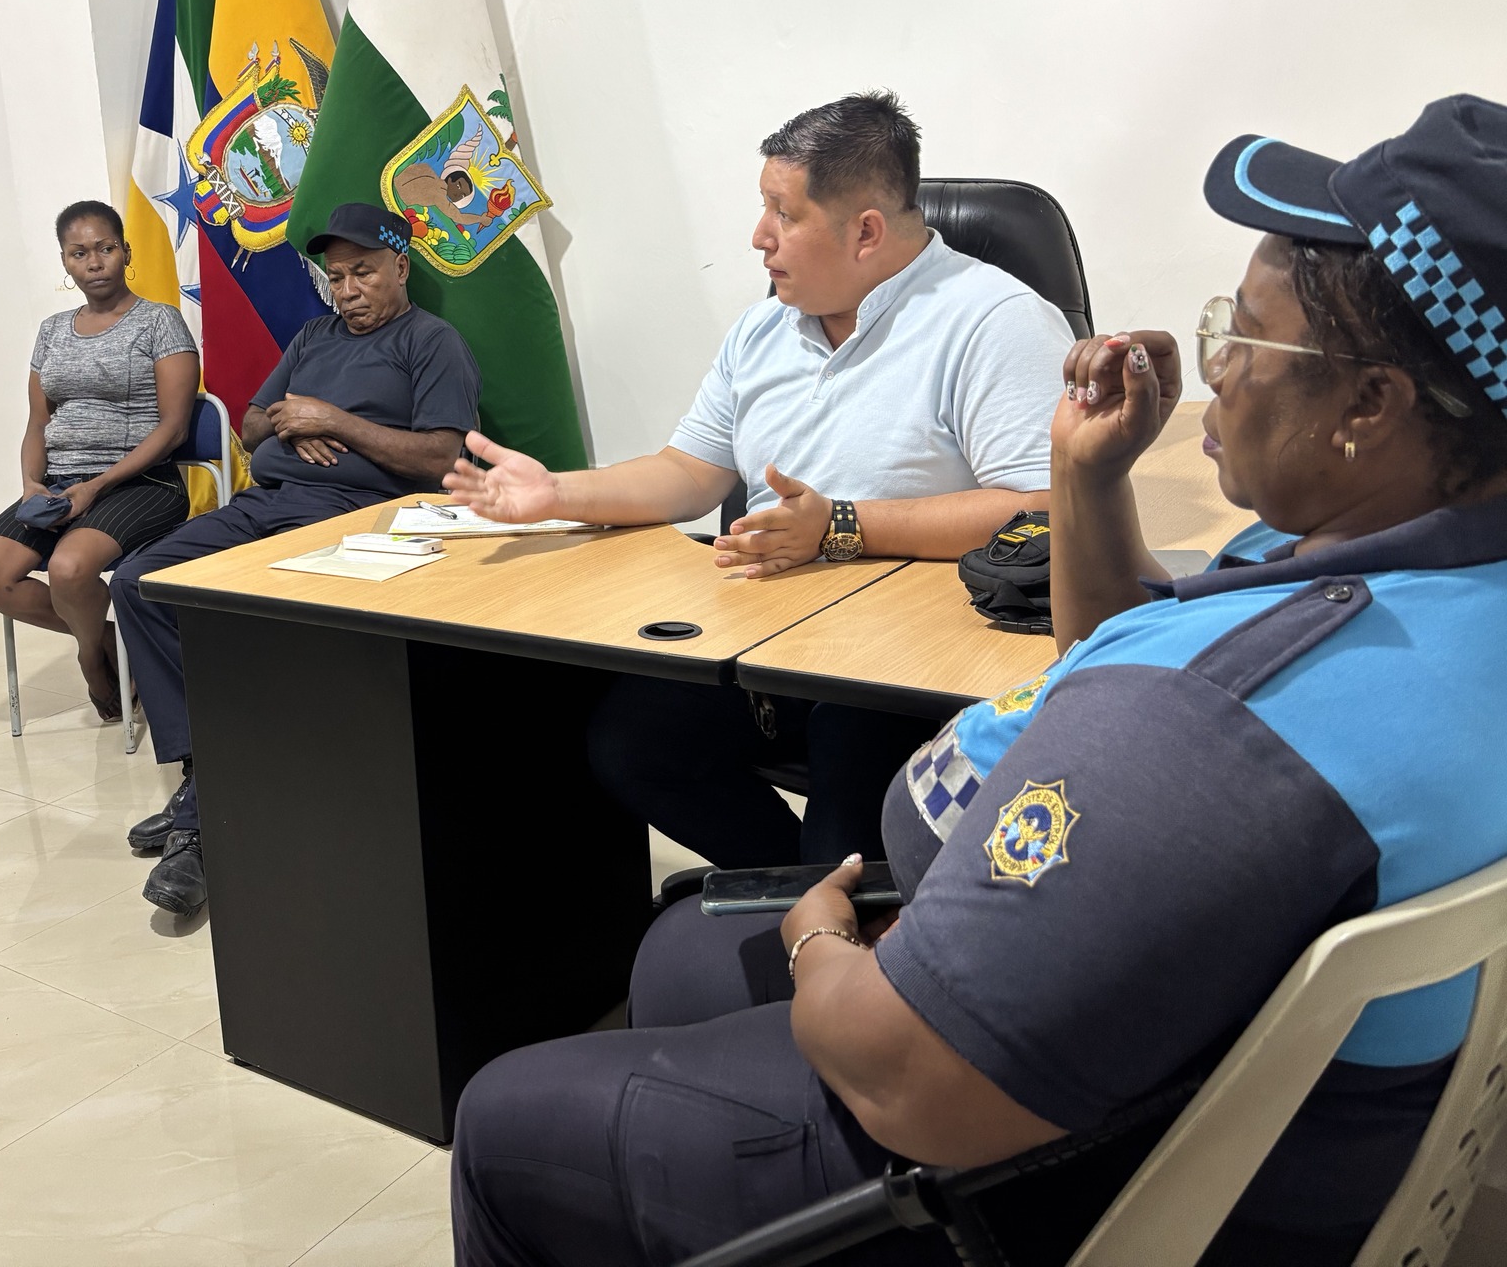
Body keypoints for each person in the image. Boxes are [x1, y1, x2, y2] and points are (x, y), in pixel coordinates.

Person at [449, 94, 1507, 1267]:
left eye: (1245, 337)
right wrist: (1085, 477)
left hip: (1049, 1168)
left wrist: (816, 942)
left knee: (503, 1119)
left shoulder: (1212, 727)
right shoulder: (1394, 570)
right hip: (1161, 1021)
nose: (1212, 369)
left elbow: (912, 1088)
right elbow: (1118, 651)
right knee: (680, 940)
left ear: (1369, 405)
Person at [443, 91, 1074, 865]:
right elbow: (688, 472)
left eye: (783, 213)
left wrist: (842, 527)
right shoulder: (765, 326)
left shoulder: (994, 320)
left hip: (906, 660)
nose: (758, 236)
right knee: (629, 743)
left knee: (846, 809)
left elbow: (1040, 512)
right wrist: (557, 495)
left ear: (866, 231)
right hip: (773, 639)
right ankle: (803, 896)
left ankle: (837, 899)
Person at [113, 202, 480, 916]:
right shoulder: (314, 336)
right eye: (336, 277)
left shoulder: (433, 343)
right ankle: (208, 776)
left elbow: (442, 459)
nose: (348, 290)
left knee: (255, 621)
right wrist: (293, 421)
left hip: (355, 519)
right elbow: (253, 422)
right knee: (139, 581)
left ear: (401, 267)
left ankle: (201, 824)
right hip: (266, 504)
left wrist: (336, 421)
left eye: (363, 272)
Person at [0, 200, 199, 721]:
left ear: (126, 252)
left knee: (68, 569)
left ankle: (92, 661)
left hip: (142, 482)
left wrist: (96, 486)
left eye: (105, 248)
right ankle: (107, 639)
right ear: (65, 262)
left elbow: (174, 428)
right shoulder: (51, 330)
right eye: (79, 253)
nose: (94, 262)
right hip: (58, 484)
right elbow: (38, 423)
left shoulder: (160, 322)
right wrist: (30, 484)